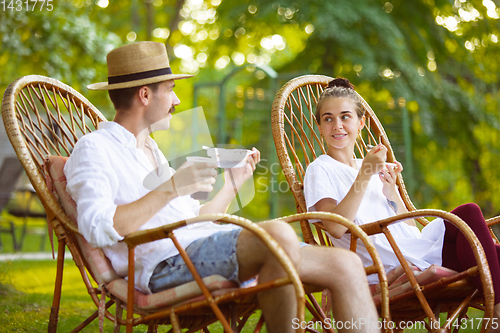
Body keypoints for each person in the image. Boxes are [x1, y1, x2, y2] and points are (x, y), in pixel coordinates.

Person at [64, 42, 380, 333]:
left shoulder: (152, 151)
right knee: (278, 235)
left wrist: (232, 184)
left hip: (197, 248)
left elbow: (194, 220)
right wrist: (171, 188)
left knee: (346, 264)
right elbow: (97, 226)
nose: (176, 101)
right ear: (145, 95)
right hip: (164, 265)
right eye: (171, 90)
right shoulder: (95, 148)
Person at [304, 77, 500, 329]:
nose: (337, 125)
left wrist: (390, 190)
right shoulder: (320, 169)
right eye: (328, 118)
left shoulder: (370, 165)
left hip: (413, 246)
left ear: (360, 123)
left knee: (474, 228)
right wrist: (365, 174)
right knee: (474, 220)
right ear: (319, 126)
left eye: (345, 116)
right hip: (387, 262)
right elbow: (336, 228)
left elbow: (407, 222)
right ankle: (496, 313)